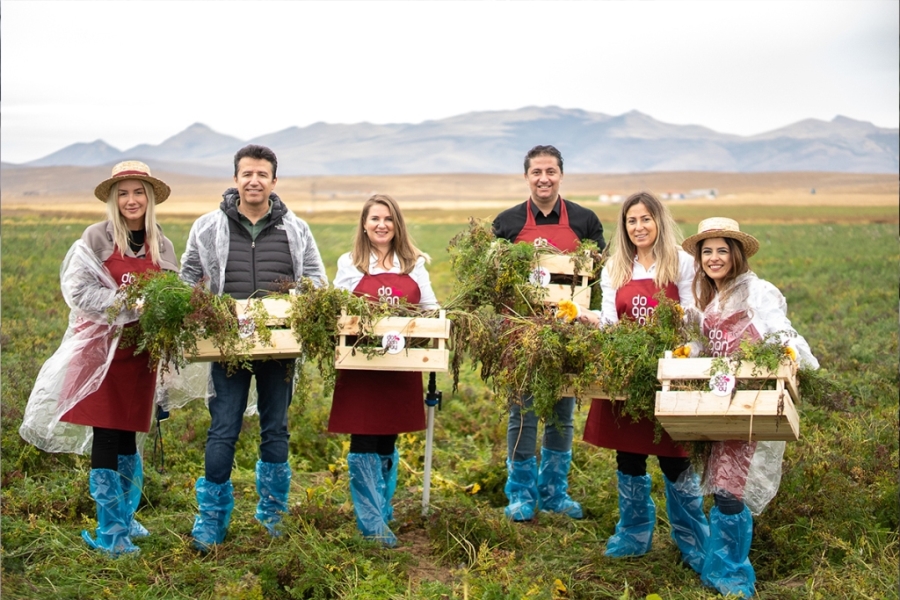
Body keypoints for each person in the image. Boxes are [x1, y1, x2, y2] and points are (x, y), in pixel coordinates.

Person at [19, 161, 179, 556]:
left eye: (138, 192)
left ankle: (124, 517)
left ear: (150, 197)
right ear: (112, 199)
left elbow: (173, 293)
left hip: (141, 356)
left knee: (130, 433)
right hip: (101, 356)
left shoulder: (161, 242)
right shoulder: (95, 238)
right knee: (107, 433)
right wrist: (128, 302)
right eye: (122, 193)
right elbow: (78, 292)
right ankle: (110, 532)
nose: (131, 200)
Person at [180, 144, 327, 551]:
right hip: (227, 347)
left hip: (280, 347)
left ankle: (274, 516)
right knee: (223, 428)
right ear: (235, 179)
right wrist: (194, 305)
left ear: (274, 181)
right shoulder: (208, 227)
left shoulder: (294, 228)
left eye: (262, 174)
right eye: (247, 173)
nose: (254, 180)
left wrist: (302, 303)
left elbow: (315, 278)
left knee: (275, 427)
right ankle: (211, 520)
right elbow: (189, 275)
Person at [680, 217, 818, 597]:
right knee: (720, 482)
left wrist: (794, 355)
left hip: (751, 400)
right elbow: (702, 345)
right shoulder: (707, 298)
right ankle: (718, 568)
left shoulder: (758, 292)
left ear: (736, 254)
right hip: (719, 401)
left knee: (732, 488)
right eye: (706, 252)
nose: (713, 258)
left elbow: (779, 330)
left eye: (721, 250)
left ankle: (734, 576)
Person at [577, 191, 709, 572]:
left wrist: (681, 358)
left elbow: (693, 316)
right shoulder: (616, 267)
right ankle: (633, 535)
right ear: (624, 226)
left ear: (659, 221)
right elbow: (611, 322)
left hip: (670, 372)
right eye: (631, 221)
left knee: (676, 459)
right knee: (629, 455)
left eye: (645, 219)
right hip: (627, 374)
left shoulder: (682, 263)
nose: (639, 227)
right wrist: (590, 322)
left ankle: (693, 540)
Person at [492, 145, 606, 521]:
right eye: (537, 172)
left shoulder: (585, 222)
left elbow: (600, 280)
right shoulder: (506, 224)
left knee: (562, 410)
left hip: (569, 335)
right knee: (520, 413)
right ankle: (521, 494)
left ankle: (555, 493)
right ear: (526, 176)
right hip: (521, 336)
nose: (544, 178)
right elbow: (494, 284)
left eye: (551, 171)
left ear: (561, 174)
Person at [328, 194, 440, 546]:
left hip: (400, 366)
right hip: (362, 369)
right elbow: (337, 311)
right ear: (364, 224)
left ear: (397, 225)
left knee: (389, 435)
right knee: (363, 435)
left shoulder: (413, 263)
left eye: (388, 219)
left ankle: (382, 507)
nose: (382, 225)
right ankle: (370, 522)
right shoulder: (351, 263)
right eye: (375, 218)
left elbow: (431, 308)